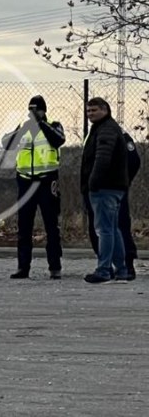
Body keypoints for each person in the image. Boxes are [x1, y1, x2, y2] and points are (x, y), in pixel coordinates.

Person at [1, 95, 65, 280]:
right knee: (24, 227)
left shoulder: (54, 124)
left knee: (51, 226)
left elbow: (58, 140)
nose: (33, 113)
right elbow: (6, 143)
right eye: (31, 110)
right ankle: (23, 267)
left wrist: (42, 124)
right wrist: (22, 129)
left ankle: (55, 267)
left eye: (36, 109)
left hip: (47, 181)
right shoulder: (25, 127)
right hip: (25, 181)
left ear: (44, 110)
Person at [81, 97, 131, 284]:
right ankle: (122, 270)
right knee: (112, 228)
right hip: (114, 187)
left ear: (105, 110)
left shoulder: (106, 129)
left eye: (94, 110)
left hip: (105, 187)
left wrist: (93, 182)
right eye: (88, 111)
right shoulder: (105, 128)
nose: (90, 114)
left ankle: (103, 270)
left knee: (104, 230)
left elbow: (103, 157)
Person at [86, 128, 140, 280]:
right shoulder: (94, 134)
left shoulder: (116, 133)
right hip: (96, 189)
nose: (90, 114)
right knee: (101, 228)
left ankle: (124, 267)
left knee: (117, 226)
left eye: (94, 110)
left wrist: (122, 181)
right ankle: (109, 267)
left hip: (112, 189)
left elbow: (134, 160)